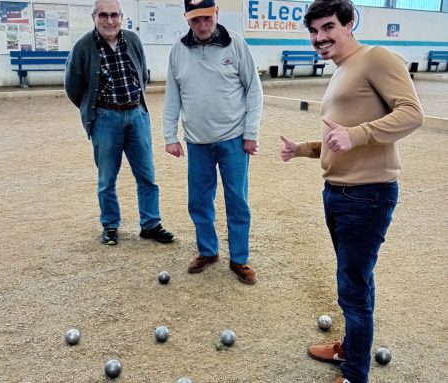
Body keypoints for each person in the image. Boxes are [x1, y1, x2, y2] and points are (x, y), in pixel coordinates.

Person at [279, 1, 424, 382]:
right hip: (340, 193)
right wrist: (304, 149)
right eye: (312, 31)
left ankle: (355, 373)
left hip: (367, 195)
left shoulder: (376, 58)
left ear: (349, 23)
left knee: (353, 288)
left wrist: (356, 135)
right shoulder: (343, 70)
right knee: (355, 281)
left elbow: (411, 113)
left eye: (327, 27)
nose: (319, 38)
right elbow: (337, 135)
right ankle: (352, 348)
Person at [163, 0, 263, 285]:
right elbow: (173, 97)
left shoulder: (235, 44)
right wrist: (170, 136)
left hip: (233, 140)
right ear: (187, 19)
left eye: (207, 18)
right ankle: (208, 251)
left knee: (237, 200)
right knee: (199, 201)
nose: (203, 25)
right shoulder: (178, 51)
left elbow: (254, 91)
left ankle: (239, 259)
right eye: (196, 20)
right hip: (197, 143)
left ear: (216, 14)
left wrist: (250, 133)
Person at [65, 0, 174, 246]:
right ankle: (111, 226)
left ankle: (150, 224)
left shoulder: (132, 40)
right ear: (94, 17)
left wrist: (134, 103)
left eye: (114, 15)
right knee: (107, 179)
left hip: (137, 115)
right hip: (105, 118)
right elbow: (73, 87)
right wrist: (95, 109)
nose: (109, 20)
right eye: (103, 15)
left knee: (147, 175)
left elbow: (142, 73)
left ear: (121, 17)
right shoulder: (83, 47)